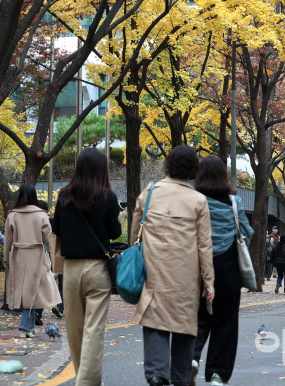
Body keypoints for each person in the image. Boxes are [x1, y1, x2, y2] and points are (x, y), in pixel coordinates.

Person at [131, 145, 215, 386]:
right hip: (186, 277)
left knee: (155, 322)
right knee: (185, 326)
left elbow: (135, 230)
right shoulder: (198, 200)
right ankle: (180, 377)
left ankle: (157, 373)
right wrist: (208, 281)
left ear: (167, 165)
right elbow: (204, 245)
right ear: (193, 169)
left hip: (154, 271)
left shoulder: (150, 192)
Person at [52, 149, 122, 384]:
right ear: (102, 169)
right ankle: (88, 381)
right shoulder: (108, 197)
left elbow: (57, 230)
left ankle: (85, 378)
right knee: (94, 330)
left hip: (70, 270)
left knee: (75, 329)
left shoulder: (63, 196)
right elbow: (115, 233)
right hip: (98, 269)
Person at [191, 155, 253, 386]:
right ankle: (218, 374)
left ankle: (192, 358)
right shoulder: (234, 202)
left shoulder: (193, 201)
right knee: (226, 323)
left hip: (196, 269)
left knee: (198, 317)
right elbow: (247, 233)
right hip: (228, 270)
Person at [5, 185, 60, 338]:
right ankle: (24, 327)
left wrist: (6, 260)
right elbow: (46, 237)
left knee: (27, 292)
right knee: (35, 290)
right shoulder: (41, 215)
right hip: (37, 255)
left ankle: (29, 327)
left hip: (18, 256)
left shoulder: (12, 215)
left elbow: (8, 241)